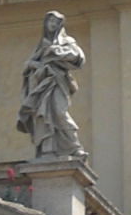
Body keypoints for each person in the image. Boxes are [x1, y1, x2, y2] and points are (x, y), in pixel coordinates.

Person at [16, 11, 86, 158]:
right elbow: (33, 65)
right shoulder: (41, 45)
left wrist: (56, 51)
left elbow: (78, 57)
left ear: (60, 25)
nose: (52, 24)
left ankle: (73, 146)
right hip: (43, 84)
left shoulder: (67, 41)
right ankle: (48, 148)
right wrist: (31, 65)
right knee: (43, 115)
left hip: (58, 81)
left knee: (60, 112)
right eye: (50, 21)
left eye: (55, 22)